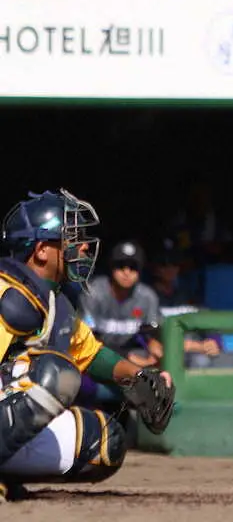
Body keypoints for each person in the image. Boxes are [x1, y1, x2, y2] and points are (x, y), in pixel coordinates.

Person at [0, 190, 174, 499]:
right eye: (70, 238)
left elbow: (91, 355)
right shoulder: (8, 293)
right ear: (41, 250)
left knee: (104, 442)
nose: (81, 247)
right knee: (56, 374)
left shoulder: (56, 304)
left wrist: (139, 378)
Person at [80, 240, 162, 368]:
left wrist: (154, 346)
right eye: (120, 266)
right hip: (96, 354)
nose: (126, 272)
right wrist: (125, 356)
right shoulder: (93, 292)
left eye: (133, 267)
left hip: (133, 352)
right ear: (111, 267)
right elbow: (86, 339)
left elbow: (150, 334)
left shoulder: (147, 297)